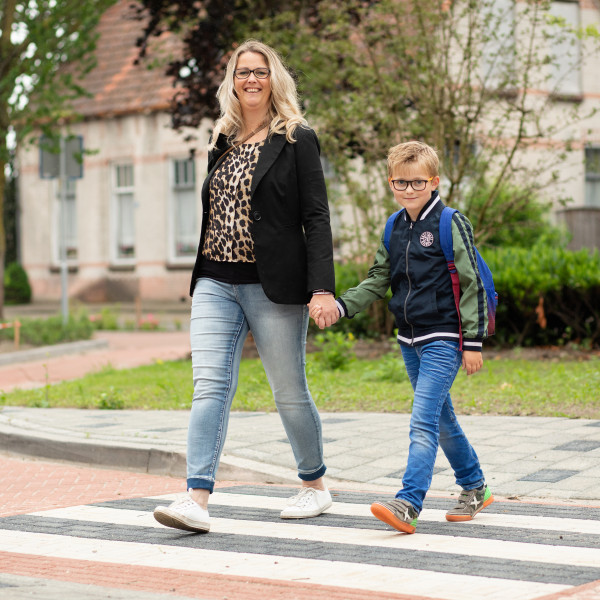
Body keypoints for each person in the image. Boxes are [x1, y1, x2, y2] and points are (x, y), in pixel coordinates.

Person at [153, 39, 338, 533]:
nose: (250, 80)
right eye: (241, 73)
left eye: (259, 72)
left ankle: (315, 486)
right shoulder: (224, 137)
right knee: (209, 385)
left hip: (272, 284)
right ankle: (196, 497)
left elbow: (316, 218)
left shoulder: (297, 138)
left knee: (289, 391)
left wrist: (322, 289)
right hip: (216, 278)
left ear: (273, 78)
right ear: (231, 82)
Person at [312, 141, 493, 534]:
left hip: (444, 337)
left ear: (434, 181)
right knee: (441, 419)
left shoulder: (450, 222)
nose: (409, 190)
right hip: (408, 339)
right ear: (391, 182)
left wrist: (473, 343)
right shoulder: (394, 226)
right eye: (401, 182)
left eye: (417, 182)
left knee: (423, 421)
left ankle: (409, 502)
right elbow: (380, 279)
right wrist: (342, 307)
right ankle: (475, 486)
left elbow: (473, 283)